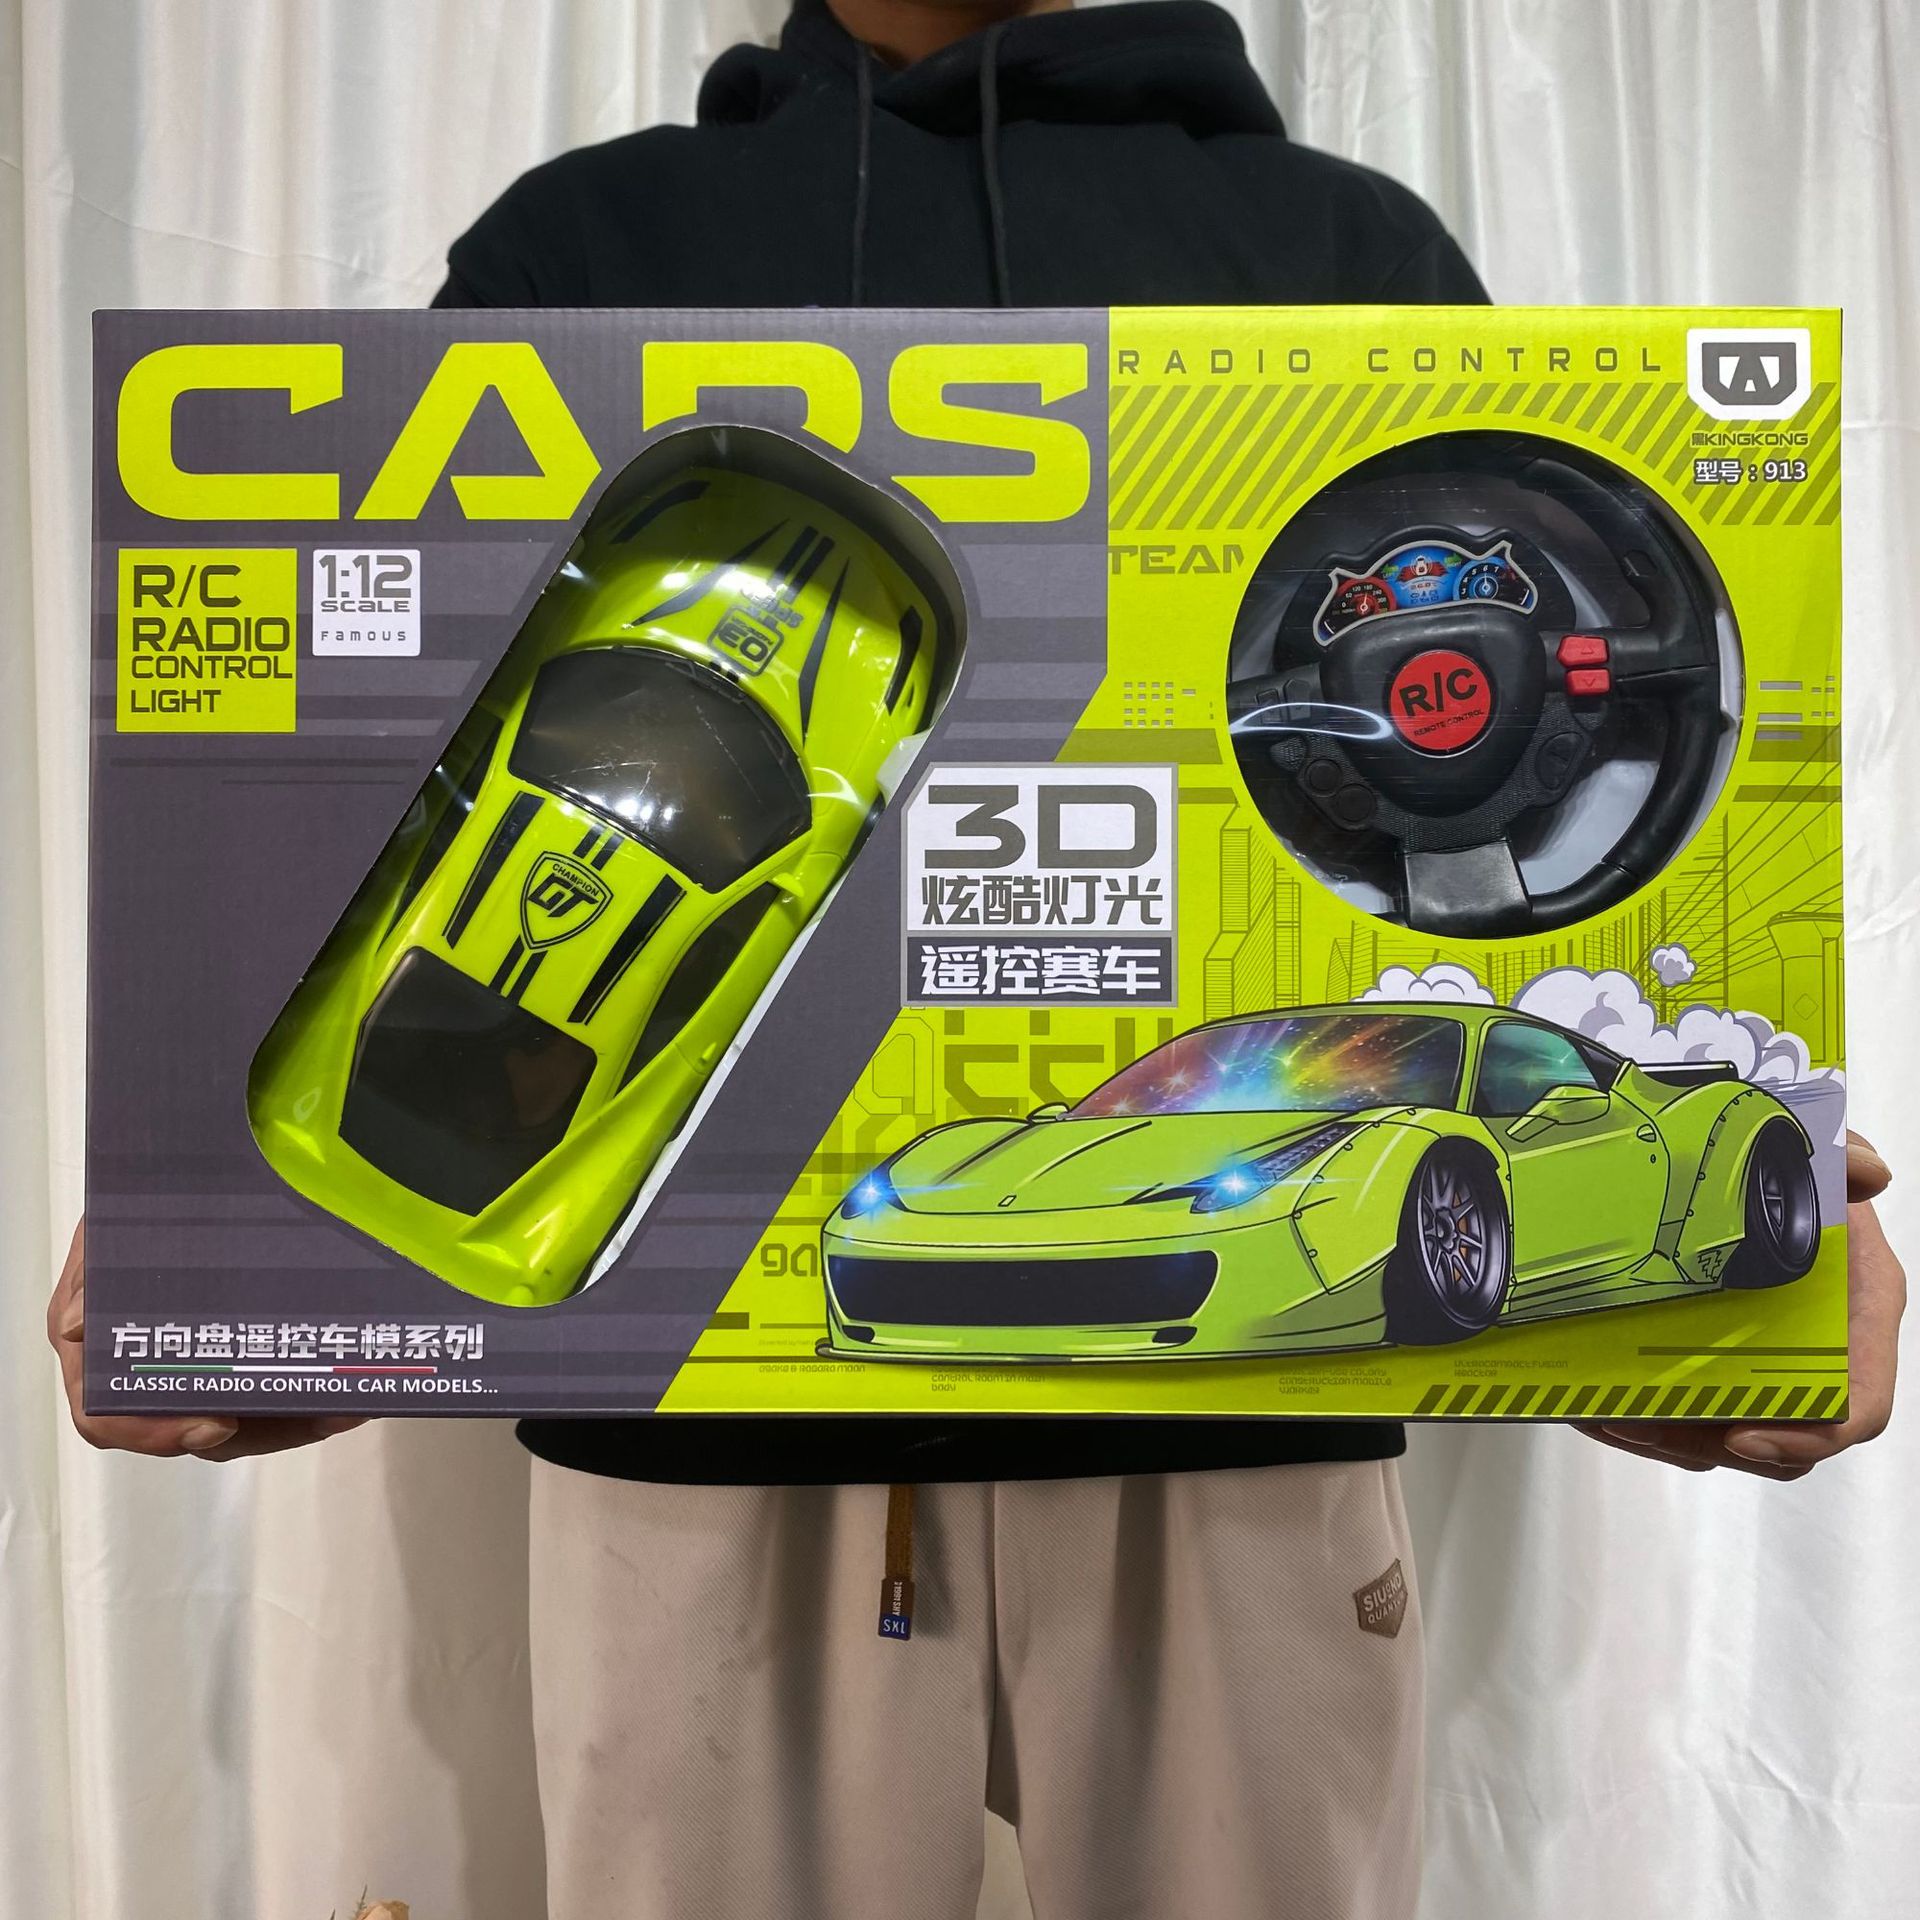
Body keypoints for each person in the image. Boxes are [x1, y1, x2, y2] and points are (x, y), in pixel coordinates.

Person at [49, 3, 1908, 1916]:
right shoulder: (589, 255)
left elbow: (1523, 887)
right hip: (704, 1447)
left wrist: (1699, 1291)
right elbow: (378, 809)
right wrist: (256, 1276)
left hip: (1245, 1450)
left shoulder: (1343, 259)